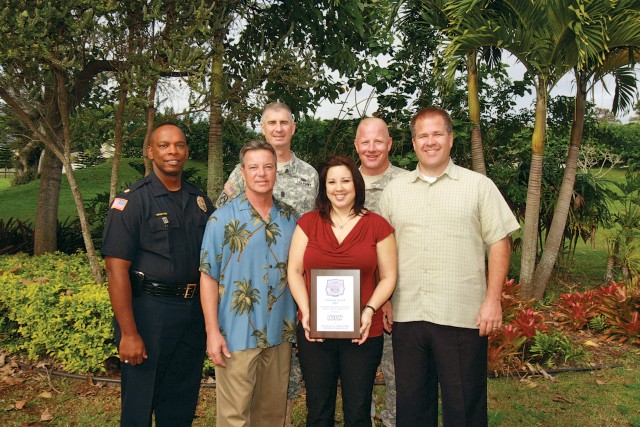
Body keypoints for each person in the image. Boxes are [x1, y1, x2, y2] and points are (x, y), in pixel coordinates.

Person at [378, 107, 520, 426]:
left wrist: (493, 299)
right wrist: (385, 298)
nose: (431, 141)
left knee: (464, 406)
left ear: (451, 139)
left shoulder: (478, 186)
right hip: (408, 313)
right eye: (423, 135)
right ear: (413, 143)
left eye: (437, 134)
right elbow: (382, 250)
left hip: (461, 315)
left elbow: (499, 241)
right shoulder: (394, 191)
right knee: (412, 406)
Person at [102, 123, 214, 426]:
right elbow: (115, 270)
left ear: (187, 151)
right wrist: (128, 333)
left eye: (179, 145)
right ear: (150, 152)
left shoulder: (199, 201)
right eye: (164, 146)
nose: (173, 152)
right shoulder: (132, 201)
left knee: (180, 403)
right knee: (140, 405)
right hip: (149, 314)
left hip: (191, 316)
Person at [215, 101, 318, 424]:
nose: (278, 128)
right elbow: (224, 223)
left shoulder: (309, 175)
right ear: (263, 127)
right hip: (247, 303)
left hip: (291, 297)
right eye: (271, 122)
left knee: (283, 379)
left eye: (284, 122)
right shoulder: (241, 169)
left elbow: (316, 229)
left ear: (293, 127)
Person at [287, 156, 397, 427]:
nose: (339, 188)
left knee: (358, 409)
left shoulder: (377, 225)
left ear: (356, 185)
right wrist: (307, 311)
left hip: (362, 331)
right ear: (324, 187)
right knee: (318, 407)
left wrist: (370, 310)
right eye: (332, 182)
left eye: (345, 181)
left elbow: (389, 276)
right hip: (316, 330)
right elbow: (294, 271)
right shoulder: (308, 223)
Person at [200, 139, 298, 427]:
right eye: (253, 167)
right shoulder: (221, 220)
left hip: (280, 333)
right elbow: (208, 276)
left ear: (276, 170)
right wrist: (211, 332)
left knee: (270, 416)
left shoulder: (291, 219)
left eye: (268, 166)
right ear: (242, 173)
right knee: (234, 418)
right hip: (236, 333)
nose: (261, 173)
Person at [354, 117, 406, 427]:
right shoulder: (344, 182)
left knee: (398, 370)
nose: (371, 148)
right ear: (356, 146)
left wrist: (391, 296)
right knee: (357, 375)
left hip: (397, 296)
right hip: (353, 296)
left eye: (378, 141)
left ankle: (394, 421)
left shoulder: (406, 182)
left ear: (389, 144)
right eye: (365, 142)